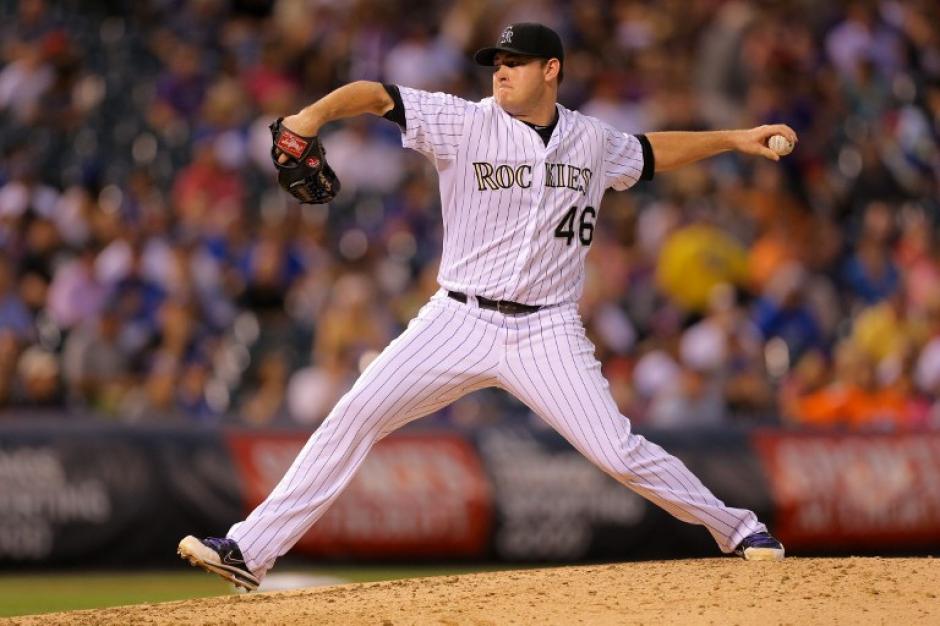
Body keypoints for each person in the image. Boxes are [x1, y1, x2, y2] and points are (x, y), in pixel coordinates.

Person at [178, 22, 792, 591]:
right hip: (457, 318)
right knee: (356, 412)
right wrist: (310, 117)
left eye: (516, 63)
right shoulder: (465, 121)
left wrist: (737, 139)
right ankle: (247, 550)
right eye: (496, 62)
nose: (500, 73)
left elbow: (652, 152)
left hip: (547, 329)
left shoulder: (592, 140)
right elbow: (376, 94)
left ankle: (739, 529)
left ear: (552, 69)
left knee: (619, 451)